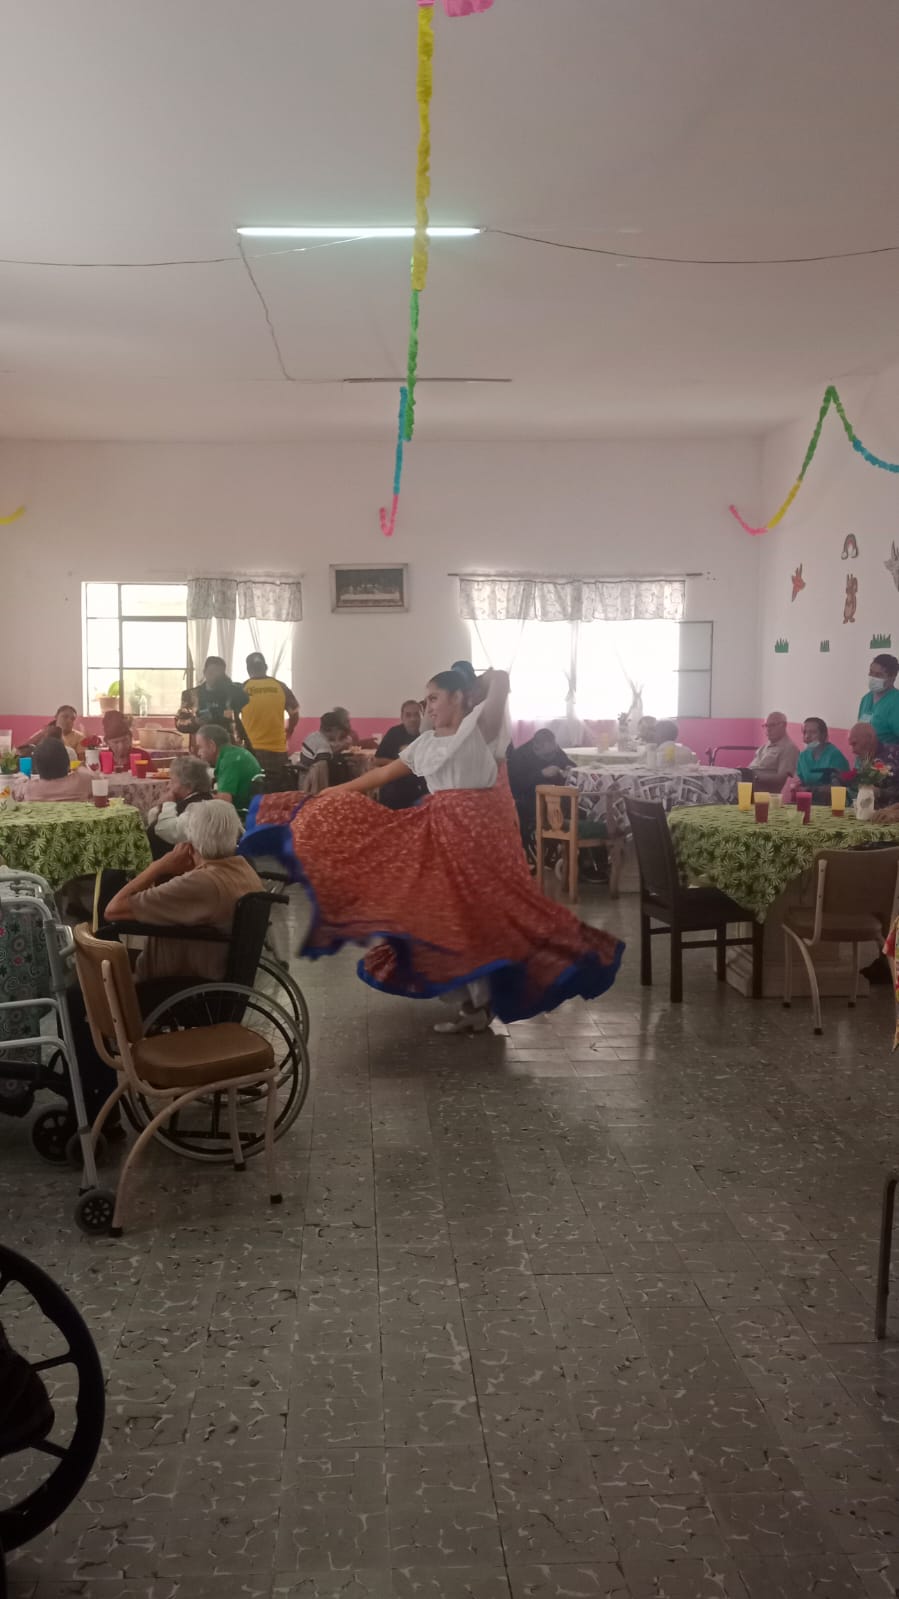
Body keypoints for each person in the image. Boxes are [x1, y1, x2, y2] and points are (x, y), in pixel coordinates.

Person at [278, 667, 623, 1033]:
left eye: (434, 698)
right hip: (442, 836)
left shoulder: (480, 728)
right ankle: (473, 1004)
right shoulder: (426, 744)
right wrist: (331, 793)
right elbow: (380, 776)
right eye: (425, 699)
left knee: (477, 918)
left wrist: (476, 685)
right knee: (441, 919)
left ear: (458, 698)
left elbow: (500, 679)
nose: (427, 707)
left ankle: (481, 1004)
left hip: (480, 842)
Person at [104, 800, 261, 981]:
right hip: (217, 974)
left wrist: (159, 866)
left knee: (93, 967)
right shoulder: (243, 868)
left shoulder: (201, 884)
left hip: (173, 982)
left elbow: (113, 910)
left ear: (190, 841)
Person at [507, 730, 575, 841]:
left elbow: (568, 762)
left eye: (554, 752)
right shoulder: (520, 756)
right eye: (547, 755)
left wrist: (569, 768)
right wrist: (541, 774)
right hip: (530, 799)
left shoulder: (555, 750)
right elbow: (516, 785)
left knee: (579, 802)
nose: (552, 757)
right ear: (536, 747)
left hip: (557, 796)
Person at [241, 652, 300, 781]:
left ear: (248, 669)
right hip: (277, 749)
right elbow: (294, 714)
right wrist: (289, 730)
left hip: (251, 749)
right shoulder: (281, 687)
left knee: (254, 786)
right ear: (266, 667)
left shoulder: (242, 689)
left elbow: (233, 716)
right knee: (278, 786)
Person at [146, 753, 213, 856]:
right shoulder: (199, 799)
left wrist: (168, 803)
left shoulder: (197, 807)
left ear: (189, 787)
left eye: (173, 782)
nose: (168, 786)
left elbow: (165, 830)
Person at [175, 657, 249, 742]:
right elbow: (180, 723)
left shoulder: (232, 693)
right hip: (202, 745)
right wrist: (196, 721)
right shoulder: (191, 695)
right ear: (204, 672)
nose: (214, 676)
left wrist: (228, 684)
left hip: (230, 743)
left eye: (219, 673)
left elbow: (245, 699)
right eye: (211, 672)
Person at [374, 700, 428, 811]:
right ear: (402, 718)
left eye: (416, 715)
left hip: (422, 791)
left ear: (422, 716)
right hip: (396, 788)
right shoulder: (394, 733)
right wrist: (401, 767)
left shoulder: (428, 735)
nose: (413, 719)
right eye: (408, 715)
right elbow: (377, 760)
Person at [196, 723, 261, 811]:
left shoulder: (230, 761)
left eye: (200, 747)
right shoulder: (236, 753)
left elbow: (223, 804)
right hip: (252, 810)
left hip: (243, 814)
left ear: (212, 745)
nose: (198, 753)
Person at [19, 735, 93, 801]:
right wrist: (81, 768)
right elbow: (95, 777)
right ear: (68, 764)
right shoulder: (82, 781)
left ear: (36, 768)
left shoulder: (28, 789)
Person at [794, 717, 850, 793]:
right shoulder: (803, 757)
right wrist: (797, 786)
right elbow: (803, 782)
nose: (807, 736)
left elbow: (838, 788)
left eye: (813, 732)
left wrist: (810, 790)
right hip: (809, 798)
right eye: (804, 732)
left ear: (823, 735)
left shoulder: (834, 756)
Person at [749, 711, 799, 790]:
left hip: (766, 793)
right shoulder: (764, 747)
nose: (768, 729)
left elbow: (780, 778)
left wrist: (753, 775)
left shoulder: (789, 748)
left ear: (784, 725)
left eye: (772, 725)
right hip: (750, 787)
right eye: (766, 726)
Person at [858, 653, 899, 745]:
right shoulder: (866, 699)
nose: (873, 678)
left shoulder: (896, 701)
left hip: (886, 753)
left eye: (879, 675)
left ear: (892, 677)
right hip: (864, 753)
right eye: (871, 672)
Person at [298, 708, 352, 775]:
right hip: (311, 777)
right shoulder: (323, 745)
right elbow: (324, 768)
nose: (339, 734)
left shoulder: (313, 735)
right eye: (338, 731)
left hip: (304, 774)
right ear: (334, 729)